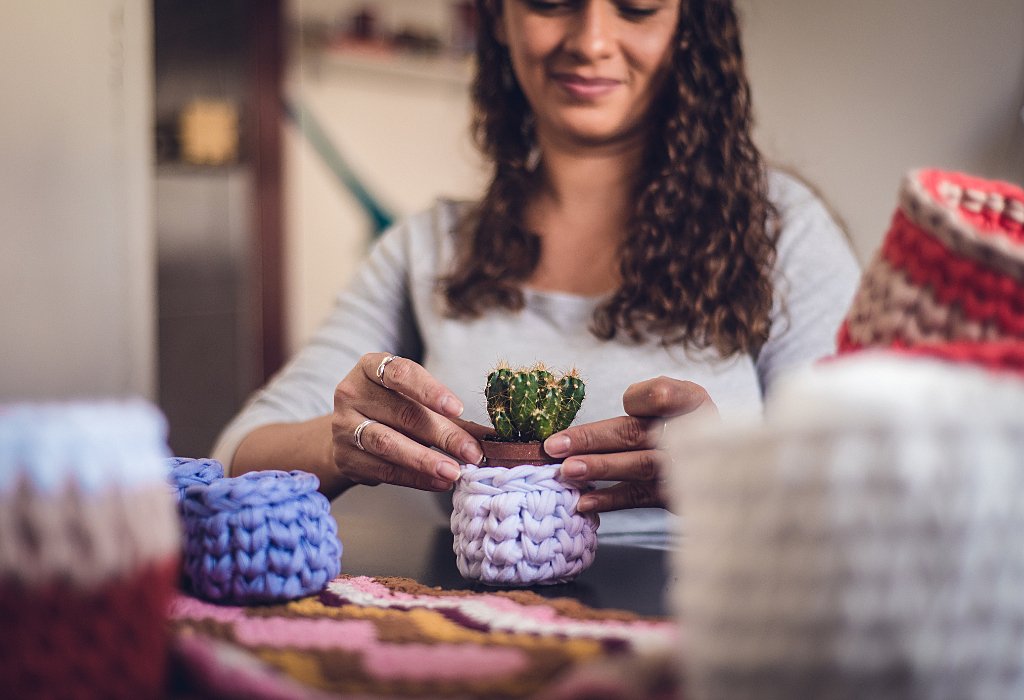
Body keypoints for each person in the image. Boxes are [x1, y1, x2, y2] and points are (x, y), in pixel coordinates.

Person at [212, 0, 859, 538]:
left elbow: (869, 495)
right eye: (552, 0)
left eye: (636, 6)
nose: (591, 40)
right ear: (497, 15)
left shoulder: (782, 232)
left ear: (690, 21)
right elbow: (237, 456)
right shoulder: (429, 250)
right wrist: (340, 444)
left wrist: (732, 477)